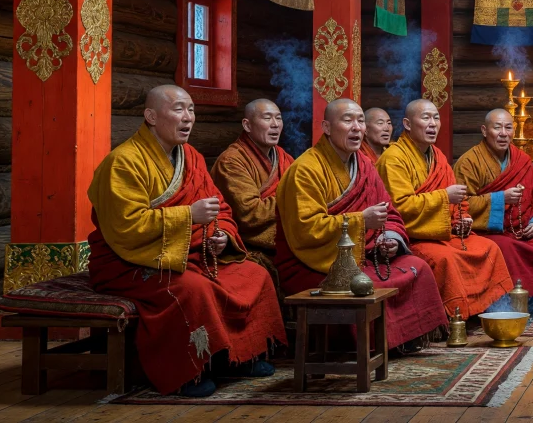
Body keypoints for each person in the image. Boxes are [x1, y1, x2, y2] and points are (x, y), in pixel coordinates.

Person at [87, 86, 285, 397]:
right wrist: (188, 216)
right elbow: (125, 227)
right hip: (131, 261)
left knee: (254, 274)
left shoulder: (190, 157)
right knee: (193, 289)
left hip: (189, 253)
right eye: (179, 109)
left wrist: (220, 235)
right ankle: (190, 369)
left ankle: (240, 356)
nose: (188, 117)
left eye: (191, 110)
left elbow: (219, 207)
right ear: (151, 116)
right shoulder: (123, 162)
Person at [276, 99, 446, 353]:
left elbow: (389, 212)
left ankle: (403, 338)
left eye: (360, 121)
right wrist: (360, 221)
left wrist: (388, 238)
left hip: (363, 254)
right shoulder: (304, 170)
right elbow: (306, 230)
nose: (357, 128)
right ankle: (367, 345)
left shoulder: (364, 166)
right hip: (314, 261)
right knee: (362, 286)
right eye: (347, 120)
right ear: (327, 127)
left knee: (417, 267)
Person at [377, 99, 515, 320]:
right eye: (426, 118)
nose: (433, 124)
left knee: (489, 248)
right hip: (415, 237)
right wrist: (444, 197)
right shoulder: (393, 159)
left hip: (443, 233)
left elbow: (459, 202)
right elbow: (399, 206)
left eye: (436, 118)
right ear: (407, 124)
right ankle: (455, 318)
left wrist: (463, 219)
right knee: (446, 260)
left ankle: (489, 312)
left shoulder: (438, 157)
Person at [454, 109, 533, 312]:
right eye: (497, 127)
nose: (503, 133)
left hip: (524, 228)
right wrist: (499, 199)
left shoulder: (521, 160)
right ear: (484, 130)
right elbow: (460, 206)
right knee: (506, 247)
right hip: (489, 231)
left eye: (508, 127)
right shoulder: (469, 162)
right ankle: (524, 299)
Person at [210, 99, 293, 288]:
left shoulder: (282, 157)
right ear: (247, 125)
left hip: (285, 243)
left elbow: (303, 190)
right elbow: (250, 213)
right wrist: (295, 199)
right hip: (249, 247)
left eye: (278, 118)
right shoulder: (232, 162)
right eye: (267, 118)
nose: (275, 124)